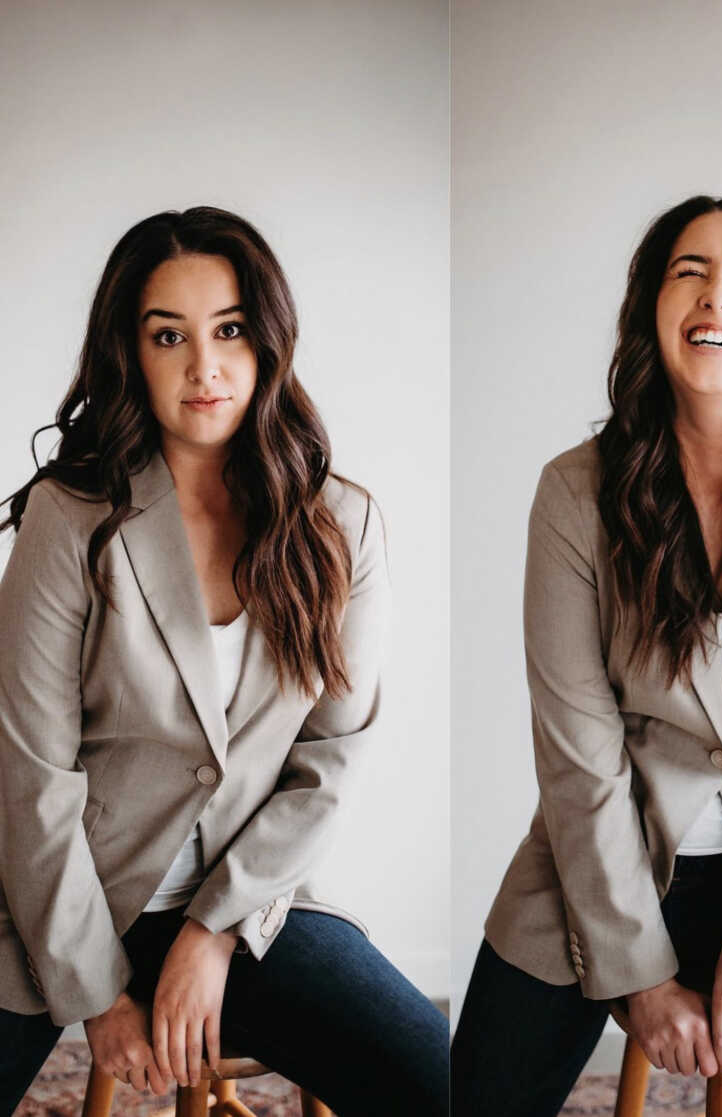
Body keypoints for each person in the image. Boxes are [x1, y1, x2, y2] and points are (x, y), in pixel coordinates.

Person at [451, 195, 722, 1116]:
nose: (717, 299)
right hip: (604, 870)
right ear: (650, 308)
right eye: (689, 273)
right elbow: (578, 755)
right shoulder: (574, 493)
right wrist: (642, 975)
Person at [0, 206, 448, 1117]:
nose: (205, 365)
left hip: (246, 904)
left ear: (268, 341)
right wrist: (95, 994)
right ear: (133, 354)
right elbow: (30, 772)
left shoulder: (343, 525)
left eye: (230, 329)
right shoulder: (72, 516)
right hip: (53, 899)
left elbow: (332, 760)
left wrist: (213, 928)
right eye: (170, 335)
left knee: (435, 1075)